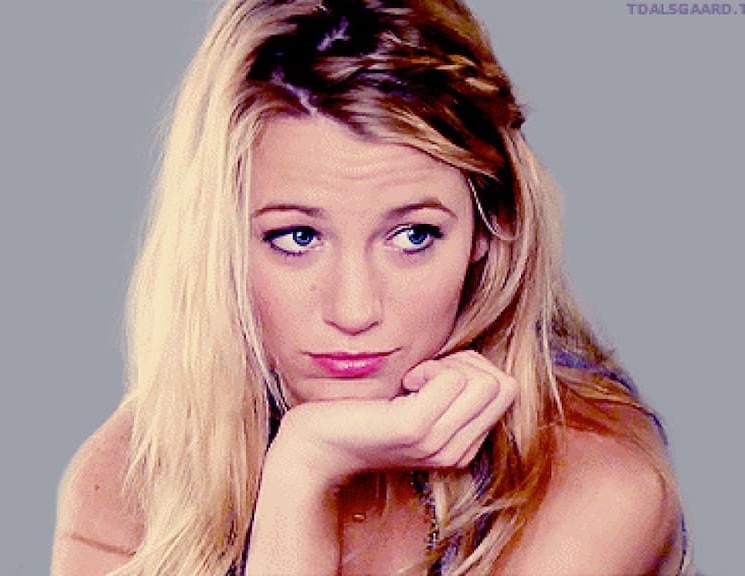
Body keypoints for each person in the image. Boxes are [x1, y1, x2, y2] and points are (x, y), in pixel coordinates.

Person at [51, 0, 694, 574]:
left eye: (412, 236)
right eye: (296, 237)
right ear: (218, 242)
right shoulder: (130, 482)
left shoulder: (593, 482)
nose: (354, 310)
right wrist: (305, 469)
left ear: (488, 229)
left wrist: (304, 464)